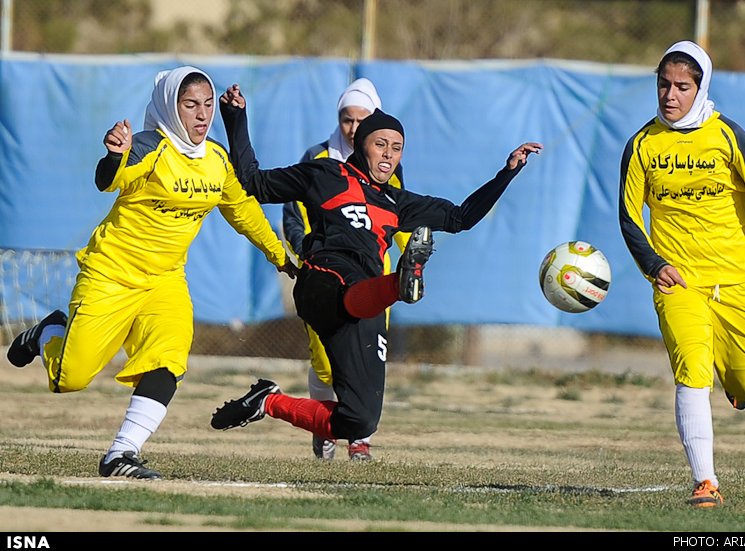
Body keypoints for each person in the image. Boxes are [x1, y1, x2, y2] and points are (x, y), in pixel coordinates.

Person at [210, 83, 542, 453]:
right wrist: (235, 117)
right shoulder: (325, 173)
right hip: (323, 280)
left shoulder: (396, 200)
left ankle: (266, 402)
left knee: (360, 419)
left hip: (364, 304)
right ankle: (400, 283)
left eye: (396, 147)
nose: (388, 154)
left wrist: (507, 173)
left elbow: (461, 217)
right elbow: (253, 181)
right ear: (360, 144)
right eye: (380, 144)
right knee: (352, 284)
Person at [6, 66, 295, 479]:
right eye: (190, 104)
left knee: (169, 360)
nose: (202, 115)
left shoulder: (216, 159)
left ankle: (121, 454)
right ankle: (49, 332)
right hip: (111, 275)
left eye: (208, 105)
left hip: (165, 281)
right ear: (169, 106)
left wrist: (279, 255)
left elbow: (244, 211)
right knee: (69, 378)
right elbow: (109, 181)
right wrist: (113, 155)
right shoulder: (148, 147)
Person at [619, 41, 745, 507]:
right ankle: (706, 482)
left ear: (701, 89)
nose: (670, 95)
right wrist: (655, 265)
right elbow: (628, 217)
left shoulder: (730, 137)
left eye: (682, 86)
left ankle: (736, 385)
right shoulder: (641, 146)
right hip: (679, 283)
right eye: (663, 84)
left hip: (737, 283)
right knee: (691, 371)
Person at [283, 78, 409, 461]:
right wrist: (307, 252)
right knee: (325, 361)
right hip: (327, 278)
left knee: (369, 360)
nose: (353, 129)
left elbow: (399, 219)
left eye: (362, 121)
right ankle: (325, 431)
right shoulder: (318, 160)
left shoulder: (387, 166)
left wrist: (411, 264)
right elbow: (294, 214)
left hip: (372, 281)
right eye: (346, 120)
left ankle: (360, 440)